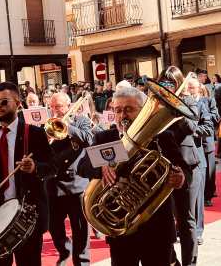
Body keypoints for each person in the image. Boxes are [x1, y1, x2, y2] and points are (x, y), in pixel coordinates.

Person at [77, 87, 192, 266]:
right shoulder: (105, 138)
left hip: (157, 228)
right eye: (118, 110)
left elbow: (184, 168)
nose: (123, 115)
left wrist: (182, 178)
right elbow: (82, 165)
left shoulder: (162, 137)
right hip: (120, 229)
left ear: (143, 109)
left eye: (129, 109)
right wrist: (101, 167)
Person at [0, 82, 58, 266]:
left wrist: (35, 167)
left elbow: (53, 166)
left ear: (17, 104)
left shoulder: (35, 133)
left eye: (3, 102)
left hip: (27, 213)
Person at [159, 66, 206, 266]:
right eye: (163, 84)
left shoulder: (188, 101)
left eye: (171, 84)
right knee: (163, 221)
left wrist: (176, 104)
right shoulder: (156, 102)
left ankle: (189, 263)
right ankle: (172, 262)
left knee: (186, 220)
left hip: (188, 165)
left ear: (179, 85)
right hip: (161, 166)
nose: (167, 87)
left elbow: (191, 127)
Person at [47, 93, 92, 266]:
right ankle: (64, 251)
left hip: (75, 184)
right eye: (51, 106)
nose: (55, 110)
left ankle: (82, 261)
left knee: (80, 228)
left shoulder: (80, 121)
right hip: (52, 184)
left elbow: (89, 139)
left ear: (67, 106)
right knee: (55, 227)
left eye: (58, 106)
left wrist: (68, 127)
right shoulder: (46, 124)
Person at [187, 78, 214, 246]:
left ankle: (197, 231)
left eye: (193, 88)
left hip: (197, 156)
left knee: (197, 197)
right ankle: (184, 226)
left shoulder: (201, 105)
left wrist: (192, 130)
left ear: (199, 89)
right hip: (180, 157)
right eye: (187, 88)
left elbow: (209, 128)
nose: (190, 91)